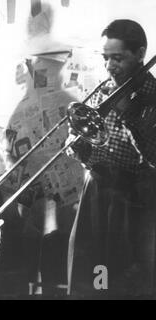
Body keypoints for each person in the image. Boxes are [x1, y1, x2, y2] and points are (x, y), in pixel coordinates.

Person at [66, 19, 156, 296]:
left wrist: (129, 111)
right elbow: (92, 147)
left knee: (125, 282)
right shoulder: (102, 89)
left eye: (117, 58)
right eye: (106, 58)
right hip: (96, 191)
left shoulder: (152, 95)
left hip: (135, 200)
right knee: (91, 277)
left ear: (140, 53)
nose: (109, 66)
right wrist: (79, 147)